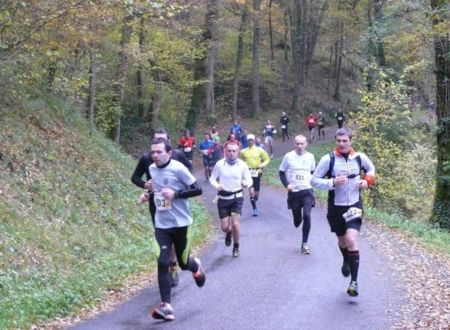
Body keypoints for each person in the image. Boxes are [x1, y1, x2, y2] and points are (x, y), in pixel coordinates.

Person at [139, 138, 206, 321]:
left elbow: (198, 190)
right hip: (162, 224)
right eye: (152, 152)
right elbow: (158, 190)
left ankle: (196, 266)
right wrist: (147, 195)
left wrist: (176, 194)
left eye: (159, 152)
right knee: (163, 262)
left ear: (169, 153)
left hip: (181, 223)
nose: (154, 155)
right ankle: (166, 306)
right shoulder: (152, 169)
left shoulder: (178, 169)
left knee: (184, 263)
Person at [311, 128, 375, 297]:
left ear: (350, 141)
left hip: (354, 205)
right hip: (336, 208)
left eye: (345, 141)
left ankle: (354, 282)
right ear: (336, 141)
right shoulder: (328, 159)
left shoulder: (360, 158)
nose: (342, 144)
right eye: (339, 141)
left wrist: (366, 182)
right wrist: (331, 182)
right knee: (342, 241)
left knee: (351, 239)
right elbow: (314, 180)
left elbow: (371, 170)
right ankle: (346, 258)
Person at [131, 128, 192, 287]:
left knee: (174, 237)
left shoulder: (177, 156)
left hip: (175, 200)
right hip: (157, 203)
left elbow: (189, 174)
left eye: (162, 140)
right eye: (155, 140)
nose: (158, 144)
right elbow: (135, 177)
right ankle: (170, 265)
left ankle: (176, 264)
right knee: (165, 236)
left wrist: (177, 190)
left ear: (168, 142)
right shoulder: (146, 158)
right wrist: (145, 185)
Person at [209, 140, 253, 258]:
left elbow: (249, 180)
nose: (231, 153)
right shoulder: (220, 164)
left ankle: (236, 247)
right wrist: (217, 185)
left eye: (234, 151)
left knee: (235, 224)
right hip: (223, 199)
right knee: (225, 227)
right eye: (229, 151)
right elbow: (212, 179)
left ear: (238, 152)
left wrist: (246, 184)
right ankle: (228, 233)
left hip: (236, 199)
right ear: (225, 151)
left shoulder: (242, 165)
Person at [279, 135, 316, 254]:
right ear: (294, 144)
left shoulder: (310, 157)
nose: (300, 146)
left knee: (307, 215)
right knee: (297, 220)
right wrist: (287, 185)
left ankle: (304, 244)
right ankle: (296, 217)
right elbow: (281, 172)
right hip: (294, 193)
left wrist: (312, 184)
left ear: (306, 144)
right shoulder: (288, 156)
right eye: (297, 144)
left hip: (307, 191)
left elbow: (312, 172)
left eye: (302, 144)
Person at [240, 134, 270, 217]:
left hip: (257, 172)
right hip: (248, 173)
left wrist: (262, 164)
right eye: (249, 140)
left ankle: (254, 201)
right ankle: (255, 209)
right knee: (251, 191)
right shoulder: (243, 151)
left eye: (252, 140)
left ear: (254, 140)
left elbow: (267, 159)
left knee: (256, 193)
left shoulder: (260, 150)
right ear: (247, 140)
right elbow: (240, 162)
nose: (250, 141)